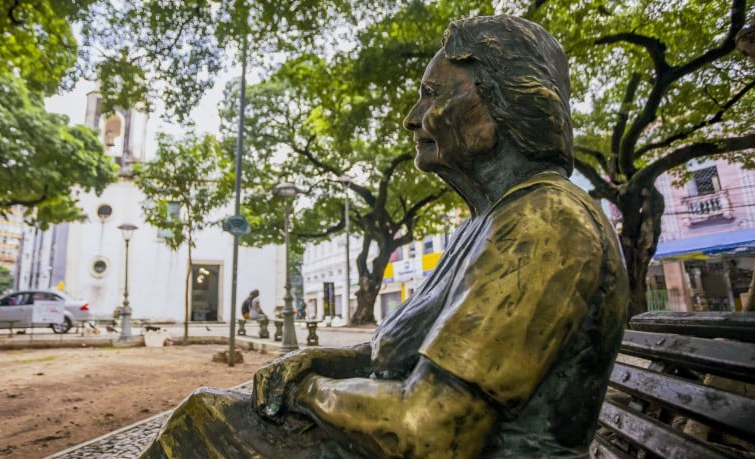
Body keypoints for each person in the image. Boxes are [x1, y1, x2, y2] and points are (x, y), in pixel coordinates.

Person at [142, 15, 628, 458]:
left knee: (203, 422)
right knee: (206, 413)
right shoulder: (488, 222)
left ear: (506, 101)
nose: (413, 117)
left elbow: (429, 429)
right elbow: (394, 356)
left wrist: (307, 390)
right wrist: (319, 358)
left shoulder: (544, 222)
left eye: (434, 95)